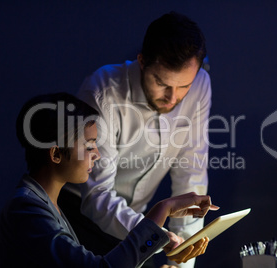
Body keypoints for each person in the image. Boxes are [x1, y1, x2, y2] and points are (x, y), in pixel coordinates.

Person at [60, 11, 211, 267]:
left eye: (183, 86)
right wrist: (158, 236)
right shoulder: (102, 92)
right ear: (142, 61)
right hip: (81, 218)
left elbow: (191, 174)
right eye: (161, 83)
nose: (173, 98)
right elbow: (97, 197)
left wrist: (181, 261)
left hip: (140, 223)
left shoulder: (199, 85)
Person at [0, 93, 218, 268]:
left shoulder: (46, 205)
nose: (98, 154)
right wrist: (162, 210)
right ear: (55, 154)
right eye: (89, 145)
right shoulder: (27, 210)